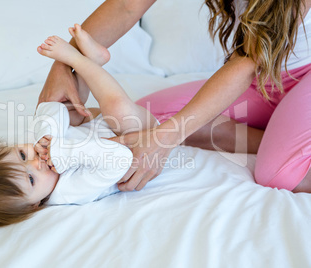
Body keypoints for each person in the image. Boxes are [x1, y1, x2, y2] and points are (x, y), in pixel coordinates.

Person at [37, 0, 311, 193]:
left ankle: (284, 143)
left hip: (296, 74)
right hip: (264, 76)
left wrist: (166, 138)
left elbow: (246, 62)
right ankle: (278, 137)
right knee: (141, 119)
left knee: (277, 175)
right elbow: (127, 5)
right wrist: (62, 65)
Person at [0, 24, 159, 227]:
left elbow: (51, 109)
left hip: (98, 126)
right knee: (119, 110)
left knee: (62, 107)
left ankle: (93, 61)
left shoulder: (41, 151)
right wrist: (67, 151)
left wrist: (47, 135)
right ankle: (81, 60)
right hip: (140, 138)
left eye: (22, 155)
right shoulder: (69, 190)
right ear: (35, 205)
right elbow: (120, 159)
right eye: (31, 179)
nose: (35, 161)